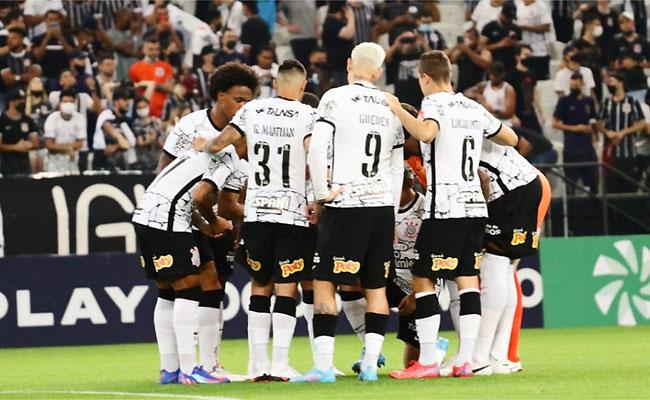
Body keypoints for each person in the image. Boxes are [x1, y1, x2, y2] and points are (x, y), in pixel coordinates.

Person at [383, 50, 517, 379]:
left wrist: (398, 109)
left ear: (425, 78)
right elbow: (510, 138)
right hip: (475, 206)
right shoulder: (472, 106)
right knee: (468, 278)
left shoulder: (434, 104)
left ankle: (428, 361)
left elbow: (426, 134)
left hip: (445, 207)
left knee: (423, 277)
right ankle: (465, 360)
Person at [292, 42, 404, 383]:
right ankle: (370, 364)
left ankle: (323, 367)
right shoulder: (390, 105)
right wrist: (394, 210)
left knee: (325, 282)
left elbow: (319, 147)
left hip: (346, 203)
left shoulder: (335, 97)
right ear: (380, 72)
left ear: (349, 64)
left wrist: (321, 193)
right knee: (376, 288)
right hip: (382, 206)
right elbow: (397, 166)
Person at [203, 59, 317, 381]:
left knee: (259, 286)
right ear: (302, 86)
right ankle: (280, 364)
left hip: (257, 213)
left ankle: (257, 364)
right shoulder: (309, 115)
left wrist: (204, 145)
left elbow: (220, 143)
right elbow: (314, 157)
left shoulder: (252, 111)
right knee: (286, 287)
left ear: (276, 84)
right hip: (291, 213)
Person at [158, 62, 258, 382]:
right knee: (177, 289)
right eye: (240, 100)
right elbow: (164, 168)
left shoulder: (249, 132)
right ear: (220, 96)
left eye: (250, 100)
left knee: (215, 288)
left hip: (219, 221)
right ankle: (177, 367)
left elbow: (238, 189)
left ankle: (207, 363)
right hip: (185, 219)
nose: (246, 106)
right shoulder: (191, 126)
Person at [131, 139, 241, 385]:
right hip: (168, 220)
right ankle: (190, 369)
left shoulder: (199, 153)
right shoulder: (229, 158)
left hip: (144, 214)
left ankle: (169, 369)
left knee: (166, 292)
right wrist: (214, 222)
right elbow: (201, 196)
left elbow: (181, 195)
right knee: (189, 287)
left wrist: (203, 225)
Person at [469, 134, 551, 375]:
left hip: (509, 189)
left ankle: (481, 356)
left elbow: (482, 176)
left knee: (495, 266)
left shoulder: (432, 132)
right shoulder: (473, 114)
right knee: (506, 269)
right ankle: (501, 355)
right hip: (527, 180)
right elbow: (513, 138)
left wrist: (477, 220)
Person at [596, 72, 646, 193]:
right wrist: (607, 132)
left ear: (620, 83)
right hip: (610, 153)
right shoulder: (606, 102)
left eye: (611, 81)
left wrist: (624, 132)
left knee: (629, 187)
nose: (609, 85)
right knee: (611, 188)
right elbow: (598, 123)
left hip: (628, 152)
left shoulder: (632, 101)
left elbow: (642, 123)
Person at [552, 72, 599, 194]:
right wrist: (575, 128)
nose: (574, 86)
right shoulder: (564, 101)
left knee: (592, 183)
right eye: (572, 85)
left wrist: (594, 135)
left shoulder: (588, 101)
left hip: (588, 148)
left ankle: (594, 209)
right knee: (571, 184)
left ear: (582, 84)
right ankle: (572, 210)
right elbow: (555, 123)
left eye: (576, 85)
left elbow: (593, 120)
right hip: (571, 148)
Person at [129, 35, 174, 119]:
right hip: (143, 113)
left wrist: (149, 85)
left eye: (156, 49)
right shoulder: (135, 68)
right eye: (151, 49)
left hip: (162, 113)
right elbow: (133, 89)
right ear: (143, 50)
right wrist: (160, 86)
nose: (154, 52)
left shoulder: (166, 66)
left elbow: (170, 88)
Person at [91, 86, 134, 170]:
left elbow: (131, 142)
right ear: (115, 101)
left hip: (121, 166)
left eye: (129, 100)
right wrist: (120, 141)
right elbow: (108, 127)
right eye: (124, 100)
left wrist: (118, 146)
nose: (128, 103)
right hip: (102, 166)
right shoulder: (106, 114)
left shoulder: (124, 121)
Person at [43, 88, 85, 173]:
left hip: (73, 164)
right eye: (65, 101)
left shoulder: (80, 118)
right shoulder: (52, 119)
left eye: (71, 101)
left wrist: (65, 147)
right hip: (54, 165)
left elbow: (80, 143)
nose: (68, 104)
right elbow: (49, 144)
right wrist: (68, 148)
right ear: (60, 103)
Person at [611, 11, 650, 104]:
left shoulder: (643, 41)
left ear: (633, 23)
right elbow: (612, 63)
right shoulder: (616, 41)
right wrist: (622, 65)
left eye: (627, 22)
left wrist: (636, 63)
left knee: (639, 110)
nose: (625, 25)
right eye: (622, 23)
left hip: (639, 83)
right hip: (622, 85)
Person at [465, 61, 516, 128]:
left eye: (495, 76)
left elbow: (509, 113)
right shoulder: (484, 85)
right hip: (486, 122)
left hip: (503, 123)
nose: (493, 77)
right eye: (491, 75)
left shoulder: (508, 89)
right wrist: (479, 96)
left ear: (502, 75)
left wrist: (493, 110)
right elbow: (466, 93)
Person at [0, 88, 39, 176]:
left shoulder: (28, 120)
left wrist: (30, 144)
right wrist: (15, 147)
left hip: (25, 166)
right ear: (12, 101)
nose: (23, 102)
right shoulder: (2, 120)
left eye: (23, 99)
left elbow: (36, 142)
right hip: (7, 167)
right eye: (20, 99)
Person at [31, 9, 75, 83]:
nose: (53, 22)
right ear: (45, 21)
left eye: (55, 20)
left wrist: (60, 37)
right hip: (45, 76)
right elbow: (38, 56)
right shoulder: (38, 38)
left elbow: (72, 55)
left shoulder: (67, 38)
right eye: (50, 20)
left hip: (63, 77)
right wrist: (47, 37)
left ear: (59, 21)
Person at [386, 30, 426, 111]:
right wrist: (396, 44)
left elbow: (432, 59)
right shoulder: (396, 57)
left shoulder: (421, 55)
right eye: (405, 40)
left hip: (420, 99)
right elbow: (386, 58)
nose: (408, 43)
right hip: (401, 99)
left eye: (411, 40)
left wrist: (423, 43)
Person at [510, 44, 544, 133]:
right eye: (526, 55)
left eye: (530, 55)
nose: (528, 58)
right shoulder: (512, 75)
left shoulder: (532, 73)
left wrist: (541, 113)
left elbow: (534, 92)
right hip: (518, 112)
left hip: (530, 111)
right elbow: (509, 96)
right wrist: (513, 115)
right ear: (517, 56)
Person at [514, 0, 551, 80]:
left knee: (539, 81)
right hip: (521, 51)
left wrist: (525, 27)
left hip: (538, 51)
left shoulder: (541, 6)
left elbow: (547, 27)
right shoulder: (517, 4)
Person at [481, 1, 521, 76]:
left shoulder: (515, 28)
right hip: (494, 65)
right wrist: (500, 44)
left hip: (511, 65)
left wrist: (514, 44)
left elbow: (520, 49)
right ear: (502, 14)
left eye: (511, 18)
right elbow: (481, 47)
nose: (509, 20)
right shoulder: (489, 27)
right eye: (507, 17)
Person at [448, 26, 493, 93]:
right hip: (461, 90)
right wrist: (456, 46)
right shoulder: (460, 53)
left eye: (470, 38)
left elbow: (484, 63)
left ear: (477, 39)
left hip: (478, 90)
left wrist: (467, 50)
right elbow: (448, 60)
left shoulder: (484, 52)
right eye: (466, 38)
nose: (468, 41)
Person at [277, 0, 319, 70]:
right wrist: (288, 26)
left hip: (312, 37)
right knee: (301, 66)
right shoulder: (288, 1)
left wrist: (317, 29)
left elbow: (315, 14)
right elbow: (275, 12)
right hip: (298, 38)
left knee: (313, 66)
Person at [572, 13, 605, 102]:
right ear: (589, 26)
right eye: (597, 24)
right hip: (584, 78)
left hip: (597, 78)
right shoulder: (578, 44)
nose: (600, 27)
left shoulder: (600, 43)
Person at [321, 2, 355, 87]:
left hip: (341, 65)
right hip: (337, 65)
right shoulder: (332, 22)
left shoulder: (333, 21)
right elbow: (348, 34)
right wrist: (351, 18)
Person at [554, 46, 599, 110]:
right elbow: (561, 96)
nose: (575, 53)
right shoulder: (560, 74)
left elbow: (591, 92)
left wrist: (596, 106)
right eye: (572, 51)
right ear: (566, 56)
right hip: (570, 108)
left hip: (586, 106)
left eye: (576, 51)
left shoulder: (587, 71)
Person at [107, 8, 143, 82]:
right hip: (121, 74)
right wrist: (133, 34)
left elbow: (141, 53)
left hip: (136, 74)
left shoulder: (132, 32)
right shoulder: (110, 34)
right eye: (128, 17)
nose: (130, 20)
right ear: (119, 19)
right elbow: (126, 50)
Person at [130, 97, 163, 171]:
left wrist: (155, 139)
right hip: (142, 160)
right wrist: (151, 138)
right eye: (139, 107)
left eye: (144, 107)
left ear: (148, 106)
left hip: (156, 160)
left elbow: (161, 143)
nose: (142, 109)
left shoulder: (156, 121)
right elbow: (140, 143)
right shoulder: (136, 123)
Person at [240, 1, 270, 65]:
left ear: (246, 8)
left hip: (252, 61)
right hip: (263, 61)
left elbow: (247, 48)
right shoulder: (264, 23)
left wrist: (244, 62)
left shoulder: (247, 25)